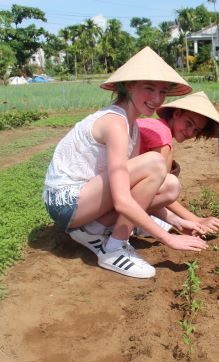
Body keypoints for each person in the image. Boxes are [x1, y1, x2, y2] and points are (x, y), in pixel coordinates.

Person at [42, 47, 207, 279]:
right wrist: (168, 238)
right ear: (129, 86)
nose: (157, 99)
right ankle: (112, 249)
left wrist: (178, 221)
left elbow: (138, 192)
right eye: (148, 89)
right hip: (65, 201)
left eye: (162, 91)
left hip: (87, 198)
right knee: (155, 164)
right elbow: (122, 200)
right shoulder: (115, 123)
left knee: (170, 185)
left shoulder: (134, 128)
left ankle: (94, 230)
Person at [137, 91, 219, 237]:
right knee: (170, 185)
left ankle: (142, 221)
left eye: (196, 130)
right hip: (108, 196)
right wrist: (196, 220)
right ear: (177, 114)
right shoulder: (162, 136)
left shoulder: (155, 126)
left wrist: (179, 221)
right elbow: (160, 191)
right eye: (189, 123)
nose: (190, 132)